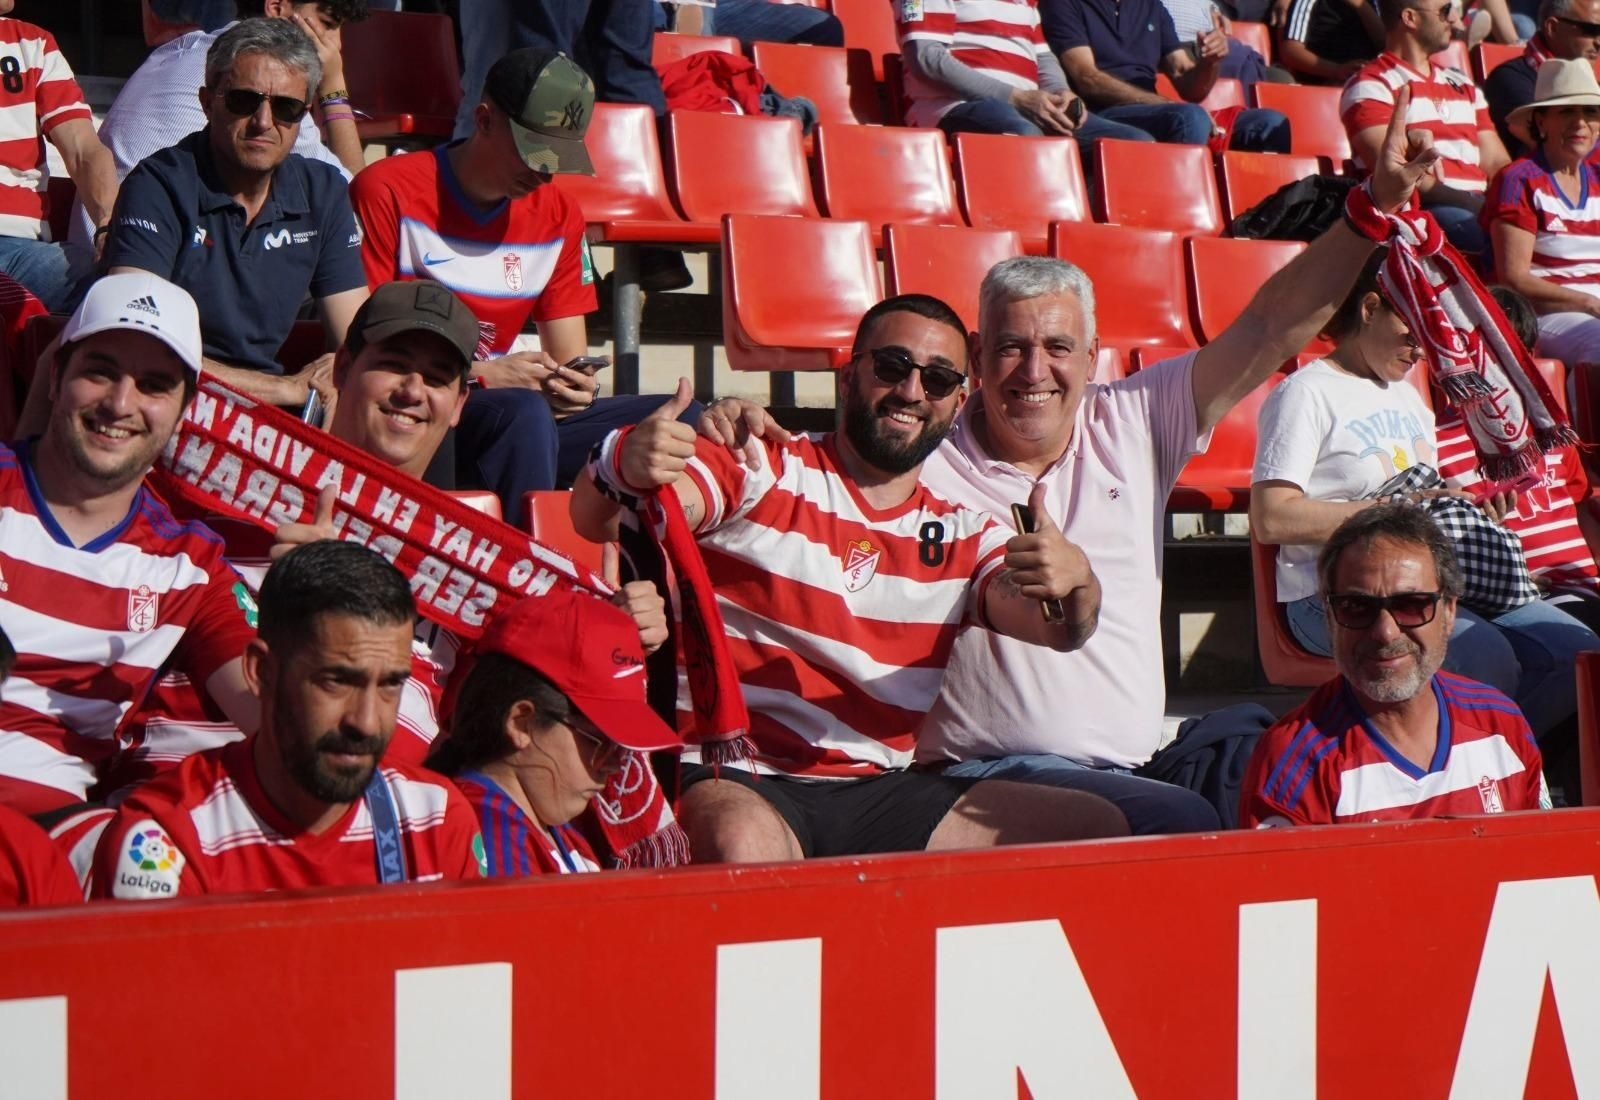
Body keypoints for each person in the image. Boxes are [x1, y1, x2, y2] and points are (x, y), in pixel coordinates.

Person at [574, 294, 1131, 861]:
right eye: (892, 366)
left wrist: (1076, 584)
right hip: (735, 772)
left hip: (875, 789)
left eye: (937, 380)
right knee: (744, 844)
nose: (912, 392)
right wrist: (630, 461)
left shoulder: (964, 533)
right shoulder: (763, 463)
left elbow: (1059, 628)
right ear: (849, 377)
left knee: (1094, 827)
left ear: (959, 401)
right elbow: (610, 514)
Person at [1251, 254, 1597, 741]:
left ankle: (1496, 765)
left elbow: (1423, 497)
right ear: (1370, 308)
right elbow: (1271, 519)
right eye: (1414, 334)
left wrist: (1467, 501)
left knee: (1574, 650)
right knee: (1485, 654)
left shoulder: (1410, 400)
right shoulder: (1305, 393)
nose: (1421, 353)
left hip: (1421, 588)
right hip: (1332, 597)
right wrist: (1386, 516)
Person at [349, 47, 699, 524]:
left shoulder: (559, 214)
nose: (544, 172)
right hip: (428, 404)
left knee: (681, 421)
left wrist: (572, 386)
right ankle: (525, 576)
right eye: (533, 151)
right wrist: (481, 376)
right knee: (523, 416)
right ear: (484, 119)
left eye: (559, 157)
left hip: (514, 414)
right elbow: (365, 351)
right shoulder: (386, 188)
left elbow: (570, 360)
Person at [91, 540, 486, 899]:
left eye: (389, 685)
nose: (365, 721)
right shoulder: (167, 841)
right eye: (336, 682)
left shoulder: (439, 820)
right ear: (261, 671)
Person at [0, 271, 259, 815]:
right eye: (100, 371)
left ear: (184, 410)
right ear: (54, 380)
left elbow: (276, 719)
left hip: (55, 842)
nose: (120, 403)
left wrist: (313, 605)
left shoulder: (190, 568)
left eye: (154, 385)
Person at [100, 18, 368, 408]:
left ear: (303, 116)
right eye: (244, 101)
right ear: (207, 103)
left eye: (286, 108)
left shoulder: (323, 191)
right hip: (161, 399)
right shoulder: (158, 185)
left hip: (265, 413)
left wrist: (338, 374)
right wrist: (282, 389)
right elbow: (134, 341)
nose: (263, 122)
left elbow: (354, 340)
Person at [1240, 504, 1551, 826]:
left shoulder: (1502, 724)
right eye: (1356, 606)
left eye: (1411, 605)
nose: (1385, 632)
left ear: (1449, 612)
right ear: (1329, 617)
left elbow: (1540, 864)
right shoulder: (1293, 766)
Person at [427, 587, 682, 875]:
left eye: (622, 747)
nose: (614, 765)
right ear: (521, 723)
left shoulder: (552, 828)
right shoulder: (489, 834)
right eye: (599, 741)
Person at [88, 0, 367, 194]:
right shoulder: (272, 87)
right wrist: (333, 86)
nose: (337, 44)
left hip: (112, 250)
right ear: (277, 8)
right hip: (141, 255)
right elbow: (354, 196)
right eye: (328, 23)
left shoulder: (187, 48)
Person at [1339, 0, 1511, 255]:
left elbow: (1497, 162)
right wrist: (1477, 205)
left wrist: (1512, 204)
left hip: (1476, 205)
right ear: (1410, 18)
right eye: (1444, 11)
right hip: (1420, 210)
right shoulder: (1370, 85)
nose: (1454, 19)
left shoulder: (1463, 84)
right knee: (1489, 235)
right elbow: (1396, 175)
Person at [894, 0, 1158, 162]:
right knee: (1022, 133)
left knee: (1134, 144)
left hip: (1029, 107)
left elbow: (1043, 58)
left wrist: (1060, 92)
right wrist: (1015, 98)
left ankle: (1087, 233)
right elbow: (926, 58)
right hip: (955, 107)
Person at [1041, 0, 1292, 151]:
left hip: (1155, 112)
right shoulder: (1064, 3)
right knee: (1188, 118)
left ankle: (1264, 221)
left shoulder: (1151, 6)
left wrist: (1210, 62)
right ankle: (1183, 213)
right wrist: (1167, 104)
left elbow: (1188, 83)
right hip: (1102, 113)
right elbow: (1087, 78)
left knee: (1268, 122)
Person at [1483, 59, 1600, 377]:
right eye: (1566, 111)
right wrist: (1588, 302)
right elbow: (1514, 278)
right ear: (1541, 120)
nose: (1580, 123)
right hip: (1546, 314)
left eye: (1590, 112)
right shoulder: (1518, 179)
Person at [0, 2, 116, 312]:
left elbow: (83, 150)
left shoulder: (34, 44)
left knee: (117, 293)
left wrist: (108, 225)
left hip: (20, 253)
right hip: (24, 257)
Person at [1486, 0, 1600, 158]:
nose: (1598, 41)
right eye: (1591, 30)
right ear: (1552, 27)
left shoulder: (1593, 82)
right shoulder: (1509, 79)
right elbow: (1561, 148)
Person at [1278, 0, 1383, 85]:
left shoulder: (1375, 4)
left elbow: (1384, 43)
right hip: (1322, 85)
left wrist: (1361, 5)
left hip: (1368, 83)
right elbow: (1290, 51)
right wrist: (1337, 70)